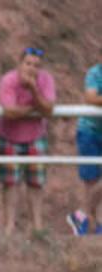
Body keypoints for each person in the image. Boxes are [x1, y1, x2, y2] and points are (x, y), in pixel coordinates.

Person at [0, 48, 55, 233]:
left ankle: (37, 226)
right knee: (10, 182)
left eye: (36, 65)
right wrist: (33, 110)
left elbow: (48, 110)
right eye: (28, 63)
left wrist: (33, 90)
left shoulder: (45, 80)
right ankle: (9, 226)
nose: (31, 68)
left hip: (36, 136)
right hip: (9, 137)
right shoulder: (9, 80)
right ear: (20, 64)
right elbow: (10, 112)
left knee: (36, 182)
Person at [66, 59, 102, 236]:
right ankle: (96, 224)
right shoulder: (95, 73)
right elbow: (91, 98)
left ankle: (81, 214)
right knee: (91, 181)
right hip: (89, 131)